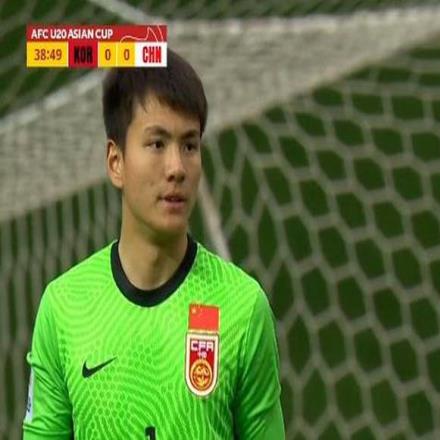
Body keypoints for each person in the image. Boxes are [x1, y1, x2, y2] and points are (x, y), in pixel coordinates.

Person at [23, 49, 285, 439]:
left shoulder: (243, 308)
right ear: (116, 161)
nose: (177, 168)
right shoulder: (63, 308)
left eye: (190, 145)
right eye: (157, 144)